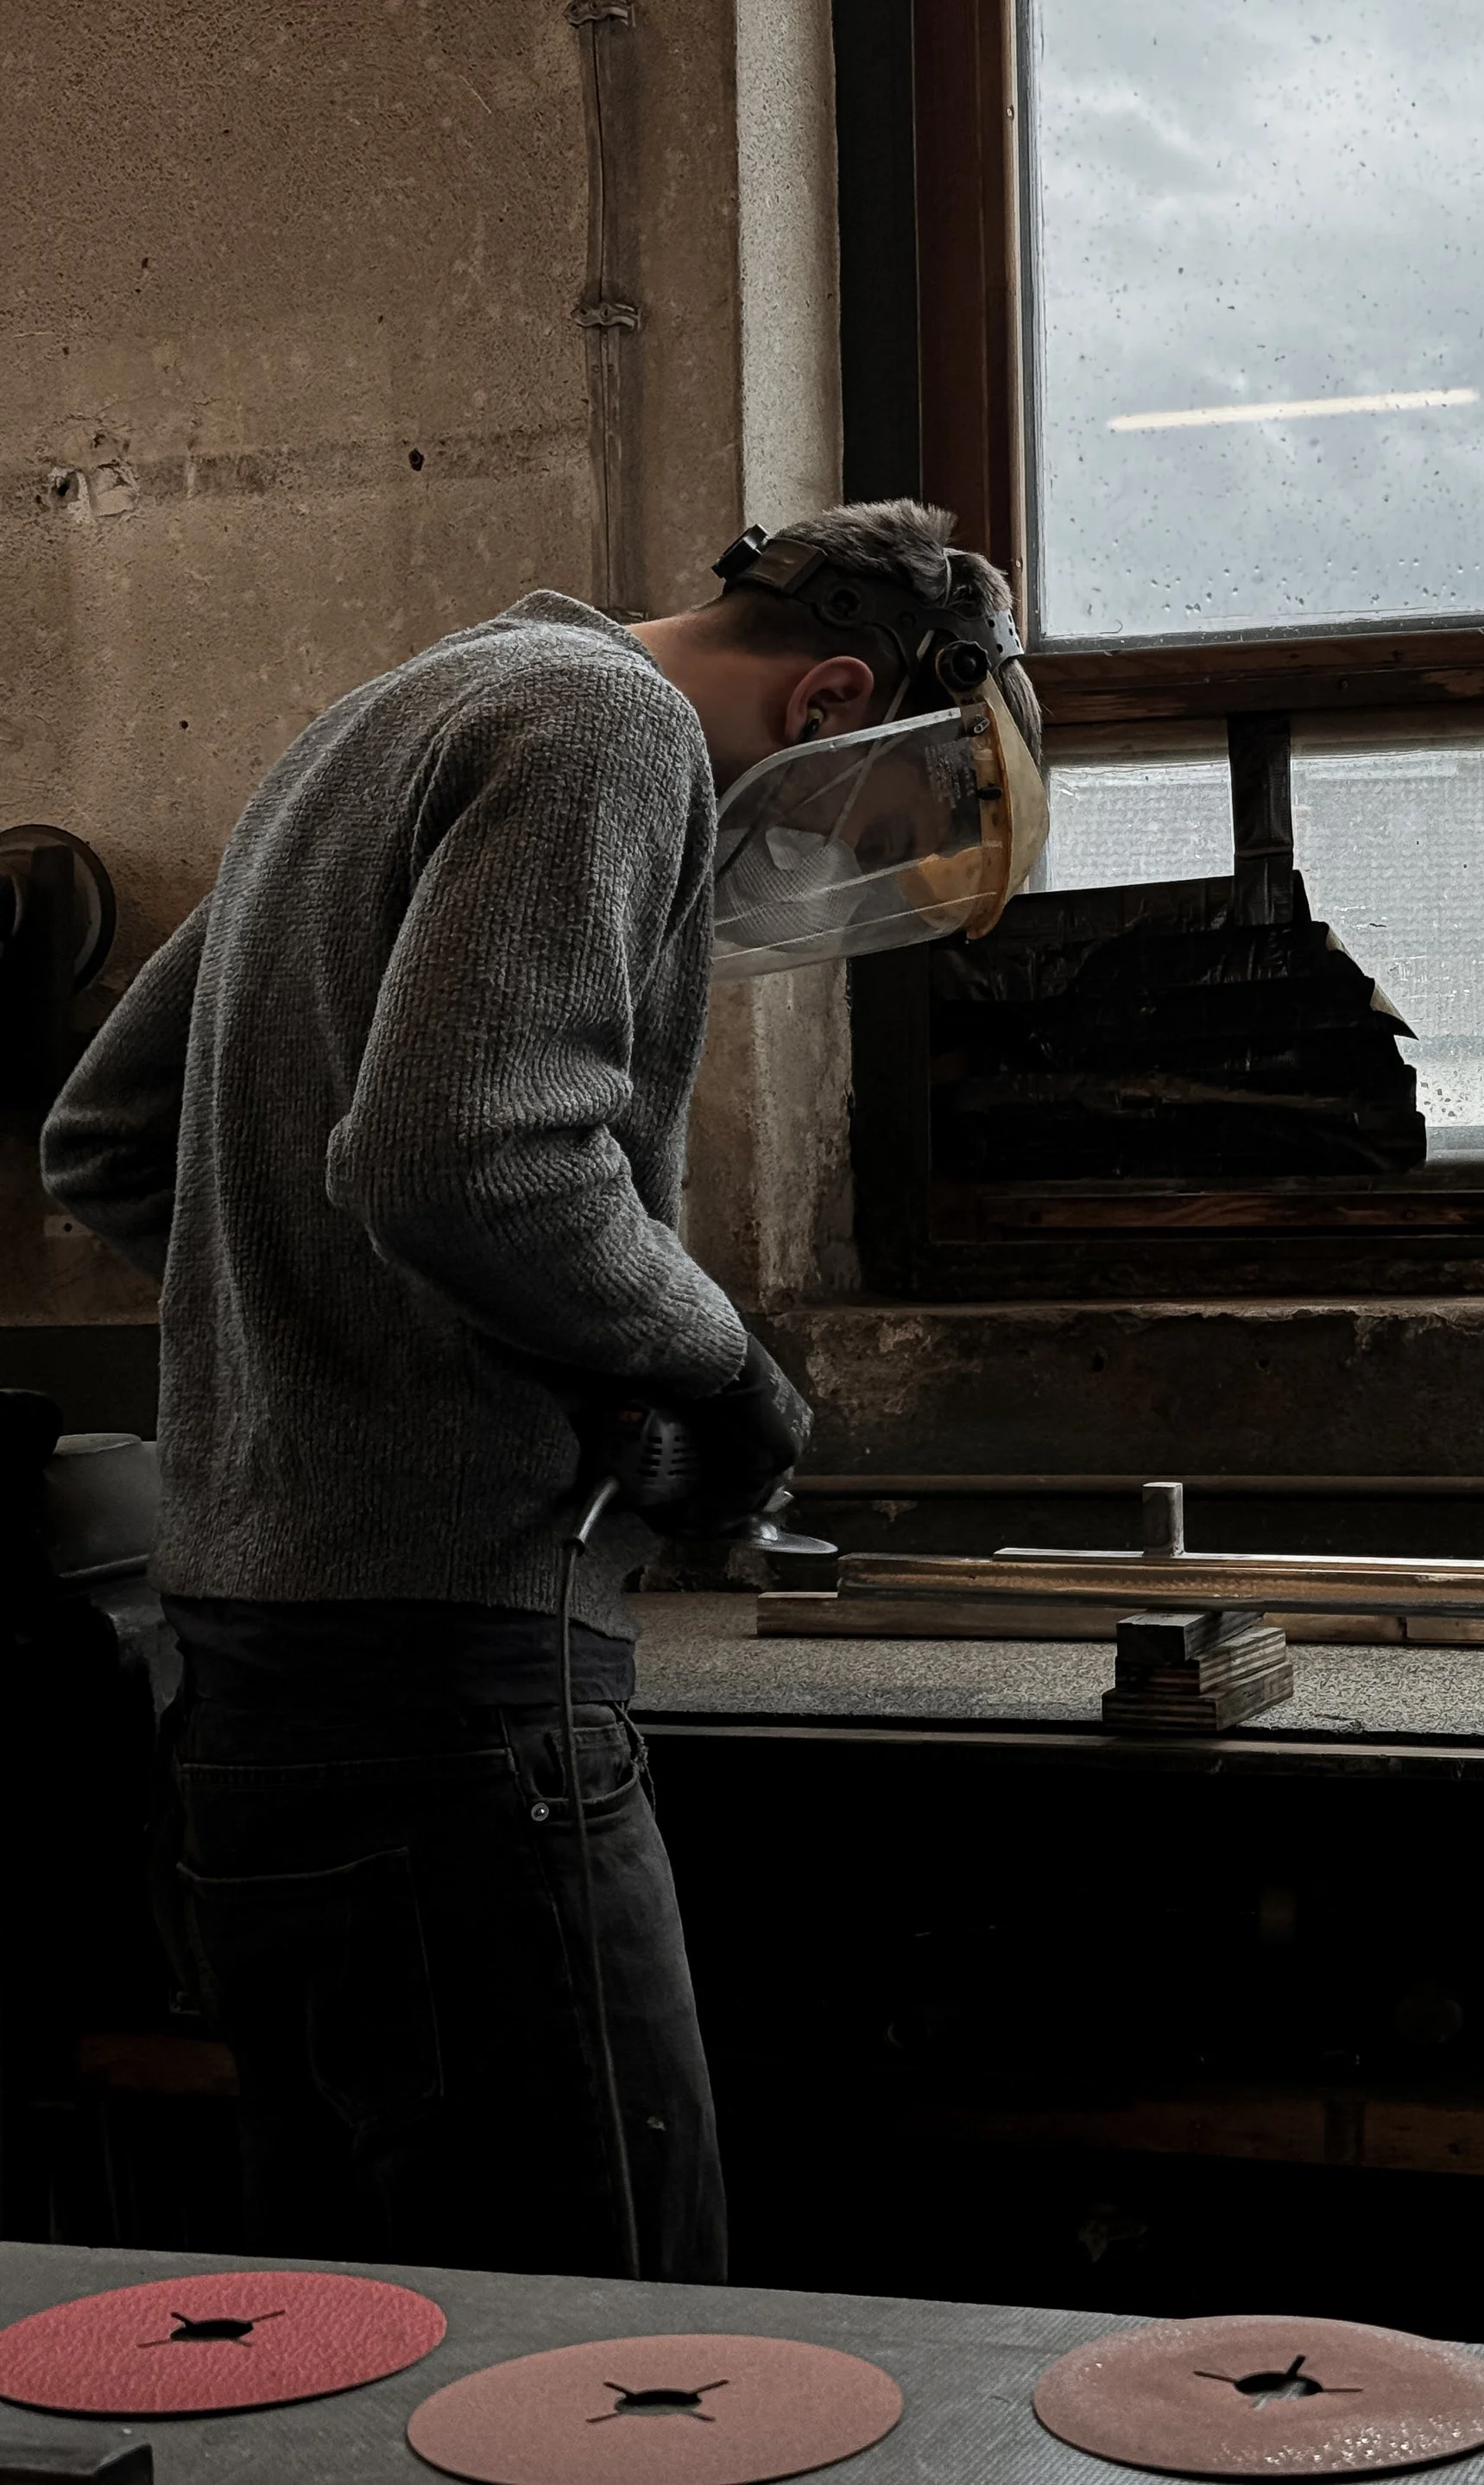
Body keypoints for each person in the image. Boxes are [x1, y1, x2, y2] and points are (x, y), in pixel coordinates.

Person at [41, 497, 1045, 2283]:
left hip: (256, 1683)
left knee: (357, 2322)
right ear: (830, 702)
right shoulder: (611, 728)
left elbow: (111, 1138)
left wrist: (350, 1353)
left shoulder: (394, 712)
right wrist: (723, 1368)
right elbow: (463, 1158)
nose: (797, 872)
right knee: (595, 2329)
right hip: (450, 1697)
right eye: (852, 832)